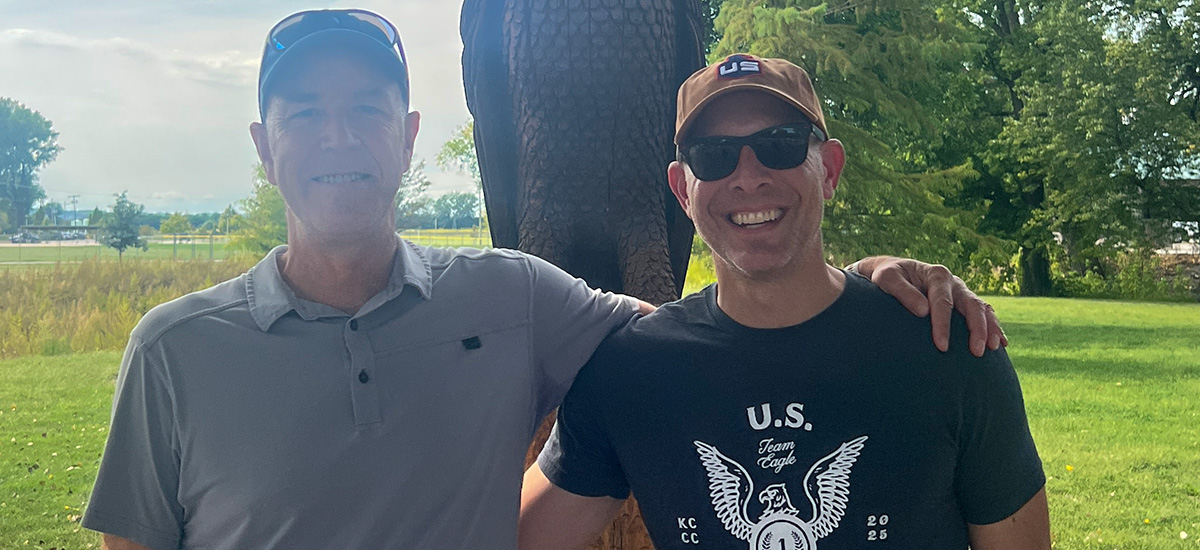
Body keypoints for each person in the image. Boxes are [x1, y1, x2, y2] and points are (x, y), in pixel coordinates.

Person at [81, 11, 1005, 550]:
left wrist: (863, 285)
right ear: (262, 146)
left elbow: (704, 328)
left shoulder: (511, 297)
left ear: (407, 137)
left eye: (366, 109)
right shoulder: (175, 351)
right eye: (303, 115)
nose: (338, 137)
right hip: (549, 195)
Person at [520, 54, 1050, 550]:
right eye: (714, 155)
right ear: (683, 191)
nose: (749, 177)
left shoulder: (946, 347)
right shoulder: (630, 373)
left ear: (830, 169)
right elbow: (512, 534)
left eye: (781, 144)